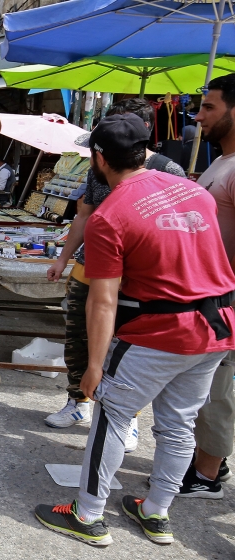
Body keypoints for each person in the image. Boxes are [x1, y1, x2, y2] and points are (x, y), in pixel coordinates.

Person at [35, 113, 235, 548]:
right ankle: (156, 512)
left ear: (99, 159)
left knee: (112, 414)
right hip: (217, 328)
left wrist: (92, 368)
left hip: (160, 329)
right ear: (145, 150)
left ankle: (88, 514)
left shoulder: (111, 215)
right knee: (179, 424)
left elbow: (102, 300)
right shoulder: (194, 191)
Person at [44, 98, 187, 451]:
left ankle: (128, 417)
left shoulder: (169, 172)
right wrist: (63, 258)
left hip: (136, 278)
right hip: (90, 266)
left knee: (126, 346)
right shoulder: (98, 167)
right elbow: (84, 215)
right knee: (78, 336)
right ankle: (78, 402)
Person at [180, 73, 235, 498]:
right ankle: (206, 460)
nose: (199, 117)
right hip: (211, 297)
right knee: (205, 388)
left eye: (210, 107)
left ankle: (206, 475)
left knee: (219, 390)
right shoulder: (221, 161)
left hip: (228, 300)